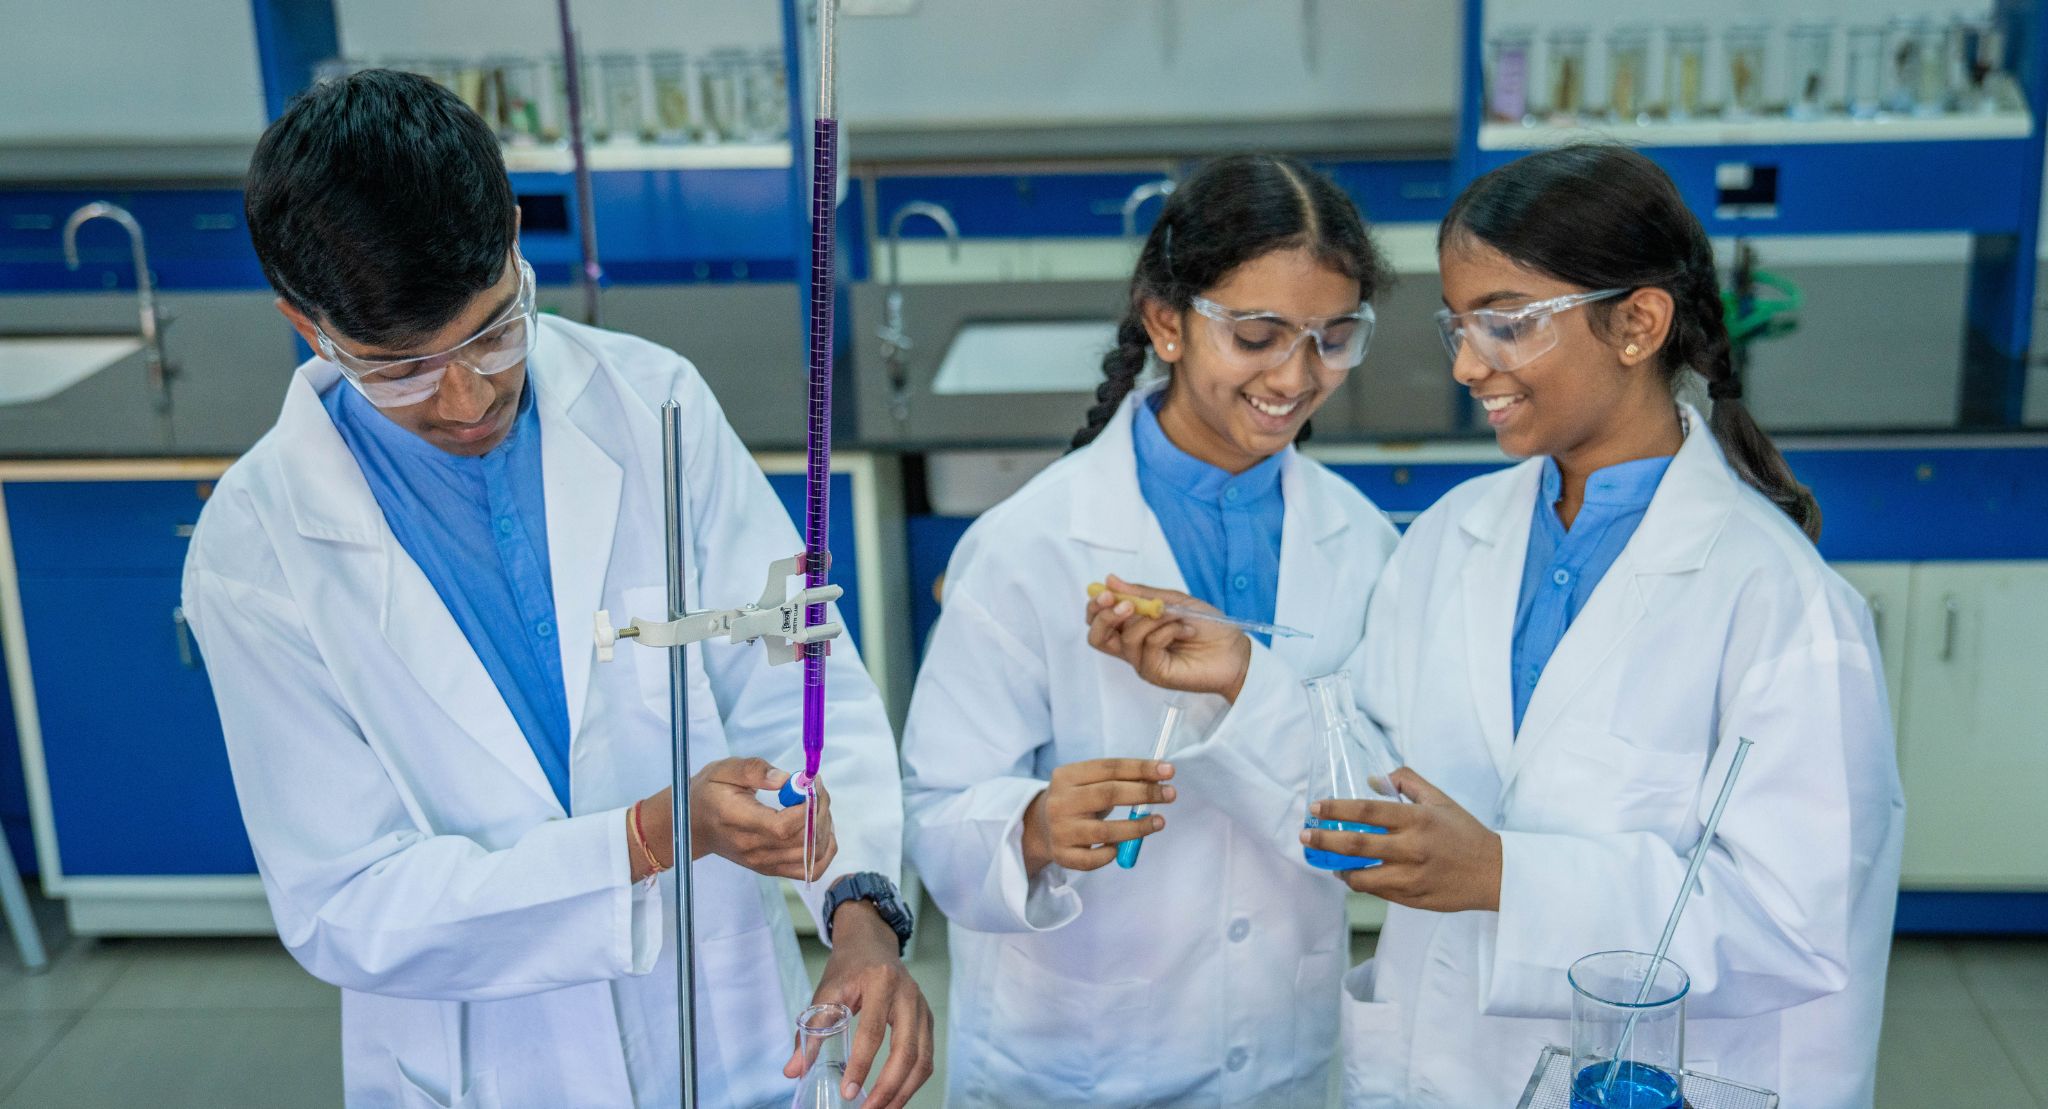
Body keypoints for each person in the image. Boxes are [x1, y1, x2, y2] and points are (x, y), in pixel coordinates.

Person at [1090, 144, 1904, 1108]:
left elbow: (1795, 922)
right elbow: (1371, 782)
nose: (1471, 365)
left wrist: (1505, 874)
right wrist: (1242, 674)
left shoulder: (1783, 605)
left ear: (1638, 323)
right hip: (1437, 1070)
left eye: (1509, 324)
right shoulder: (1450, 538)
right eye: (1459, 327)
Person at [180, 70, 933, 1109]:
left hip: (730, 1036)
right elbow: (343, 904)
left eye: (493, 330)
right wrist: (644, 838)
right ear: (307, 326)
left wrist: (859, 916)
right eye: (401, 368)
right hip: (487, 1066)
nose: (467, 395)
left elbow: (801, 687)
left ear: (514, 247)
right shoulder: (256, 549)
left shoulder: (652, 403)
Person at [901, 154, 1398, 1106]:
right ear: (1167, 320)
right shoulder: (1029, 548)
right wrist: (1035, 826)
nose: (1296, 376)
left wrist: (1256, 688)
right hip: (1077, 1060)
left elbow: (1378, 796)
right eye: (1257, 335)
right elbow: (937, 810)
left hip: (1278, 1051)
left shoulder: (1364, 547)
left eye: (1333, 338)